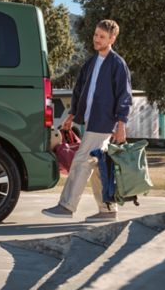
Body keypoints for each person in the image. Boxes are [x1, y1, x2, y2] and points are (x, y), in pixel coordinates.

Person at [43, 19, 132, 222]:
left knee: (82, 160)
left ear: (112, 38)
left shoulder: (117, 64)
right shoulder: (91, 63)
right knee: (100, 167)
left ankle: (67, 206)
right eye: (95, 35)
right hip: (90, 121)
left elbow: (124, 96)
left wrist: (121, 124)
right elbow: (80, 90)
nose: (97, 39)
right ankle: (108, 210)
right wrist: (72, 115)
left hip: (104, 122)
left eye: (102, 36)